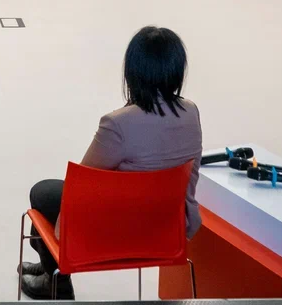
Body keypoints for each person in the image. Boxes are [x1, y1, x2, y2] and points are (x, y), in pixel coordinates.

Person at [22, 26, 202, 300]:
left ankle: (56, 280)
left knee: (43, 193)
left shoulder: (118, 123)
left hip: (117, 232)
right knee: (50, 199)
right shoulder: (191, 112)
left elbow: (81, 183)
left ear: (133, 71)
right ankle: (50, 268)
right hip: (166, 229)